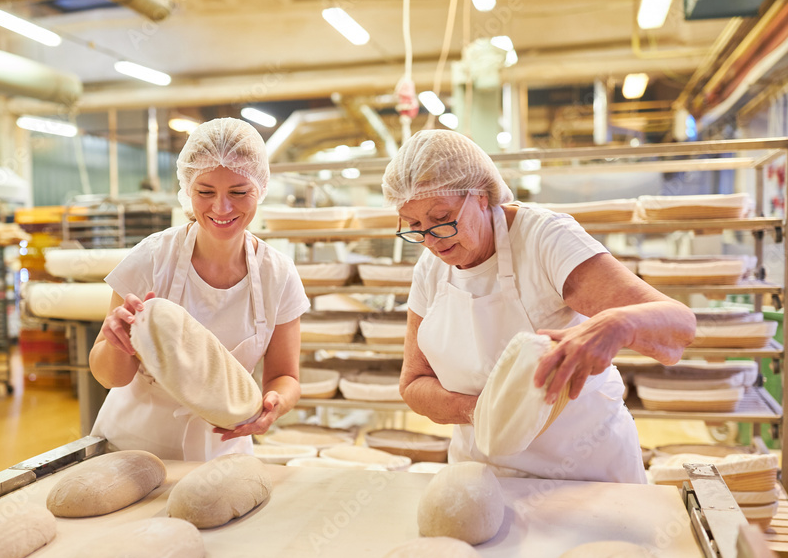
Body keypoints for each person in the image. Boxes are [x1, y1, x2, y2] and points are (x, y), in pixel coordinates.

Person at [387, 130, 696, 483]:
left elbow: (680, 326)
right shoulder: (429, 271)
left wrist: (617, 324)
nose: (430, 240)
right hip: (484, 475)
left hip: (581, 472)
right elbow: (413, 383)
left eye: (442, 218)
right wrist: (484, 414)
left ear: (481, 196)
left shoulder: (545, 240)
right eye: (414, 226)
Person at [89, 117, 310, 460]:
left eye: (239, 192)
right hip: (134, 446)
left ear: (261, 189)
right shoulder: (151, 258)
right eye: (205, 192)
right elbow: (108, 377)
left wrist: (275, 404)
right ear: (187, 190)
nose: (221, 208)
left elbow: (285, 376)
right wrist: (118, 344)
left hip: (222, 451)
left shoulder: (277, 274)